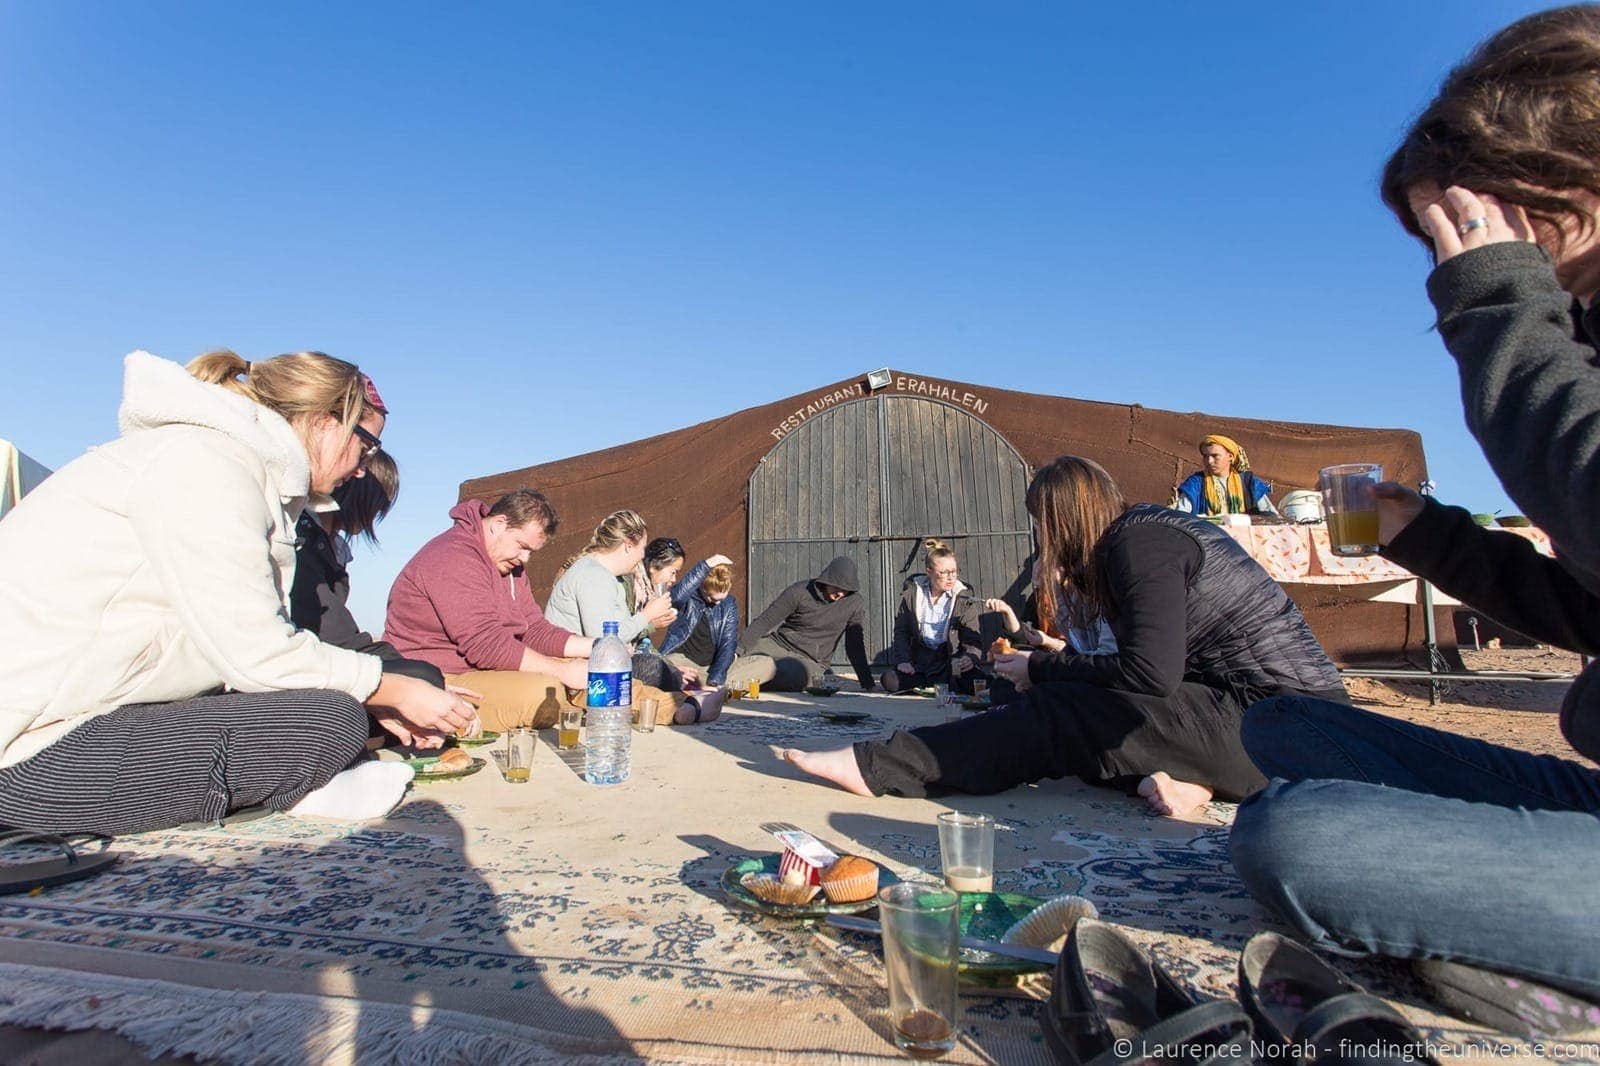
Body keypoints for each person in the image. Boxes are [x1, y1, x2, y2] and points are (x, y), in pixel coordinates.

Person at [1233, 5, 1600, 1013]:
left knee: (1297, 841)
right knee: (1292, 733)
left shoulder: (1540, 330)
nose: (1457, 255)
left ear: (1562, 186)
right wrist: (1421, 531)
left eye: (1474, 223)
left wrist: (1500, 311)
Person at [0, 349, 476, 835]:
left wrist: (374, 691)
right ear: (325, 421)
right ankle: (294, 788)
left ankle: (287, 783)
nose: (361, 468)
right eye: (366, 446)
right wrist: (384, 686)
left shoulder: (231, 467)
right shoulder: (206, 464)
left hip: (82, 717)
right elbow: (257, 652)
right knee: (329, 719)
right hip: (27, 751)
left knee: (338, 706)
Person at [783, 456, 1344, 819]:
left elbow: (1150, 674)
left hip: (1284, 727)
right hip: (1253, 721)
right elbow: (1150, 673)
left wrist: (1043, 668)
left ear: (1062, 518)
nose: (1041, 537)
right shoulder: (1142, 535)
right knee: (1072, 711)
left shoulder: (1141, 546)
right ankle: (1193, 779)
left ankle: (883, 766)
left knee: (1062, 715)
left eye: (1042, 523)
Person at [384, 489, 594, 730]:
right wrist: (562, 671)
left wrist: (596, 647)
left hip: (483, 669)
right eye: (522, 546)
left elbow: (533, 629)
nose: (525, 559)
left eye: (531, 552)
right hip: (441, 676)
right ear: (499, 523)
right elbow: (485, 644)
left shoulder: (509, 566)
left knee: (591, 671)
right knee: (545, 693)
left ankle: (636, 702)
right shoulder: (453, 556)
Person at [290, 449, 444, 689]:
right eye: (377, 505)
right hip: (303, 660)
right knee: (421, 676)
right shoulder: (305, 539)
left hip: (321, 654)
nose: (375, 516)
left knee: (421, 676)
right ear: (358, 495)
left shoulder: (330, 548)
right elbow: (333, 633)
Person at [543, 510, 689, 695]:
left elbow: (622, 631)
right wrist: (647, 616)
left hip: (599, 664)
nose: (642, 556)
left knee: (659, 671)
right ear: (628, 545)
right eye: (642, 549)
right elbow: (604, 640)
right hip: (575, 669)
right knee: (653, 669)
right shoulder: (592, 575)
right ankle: (684, 706)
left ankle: (683, 702)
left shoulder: (612, 578)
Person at [738, 555, 876, 692]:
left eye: (845, 590)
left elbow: (854, 644)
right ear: (827, 580)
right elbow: (766, 621)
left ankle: (729, 682)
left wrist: (867, 683)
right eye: (837, 587)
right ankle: (724, 673)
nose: (840, 593)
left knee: (776, 670)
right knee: (736, 653)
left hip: (810, 661)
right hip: (778, 643)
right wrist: (737, 650)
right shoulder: (799, 591)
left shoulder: (854, 602)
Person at [879, 539, 984, 695]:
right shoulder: (912, 594)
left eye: (954, 572)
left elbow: (972, 637)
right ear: (929, 571)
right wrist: (904, 661)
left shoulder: (963, 598)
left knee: (979, 682)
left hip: (950, 662)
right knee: (889, 679)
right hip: (920, 663)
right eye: (944, 573)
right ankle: (932, 684)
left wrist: (970, 657)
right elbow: (902, 632)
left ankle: (945, 684)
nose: (950, 577)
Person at [660, 562, 776, 691]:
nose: (718, 603)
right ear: (703, 589)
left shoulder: (729, 605)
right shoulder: (688, 597)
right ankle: (720, 687)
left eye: (722, 599)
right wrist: (706, 564)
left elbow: (728, 645)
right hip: (684, 662)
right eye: (713, 599)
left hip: (713, 666)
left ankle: (707, 687)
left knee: (768, 664)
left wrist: (715, 679)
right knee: (670, 664)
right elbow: (676, 596)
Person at [1171, 434, 1277, 517]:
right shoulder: (1196, 483)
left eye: (1215, 456)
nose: (1209, 461)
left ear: (1230, 456)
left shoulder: (1249, 483)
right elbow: (1181, 516)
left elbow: (1271, 515)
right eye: (1205, 456)